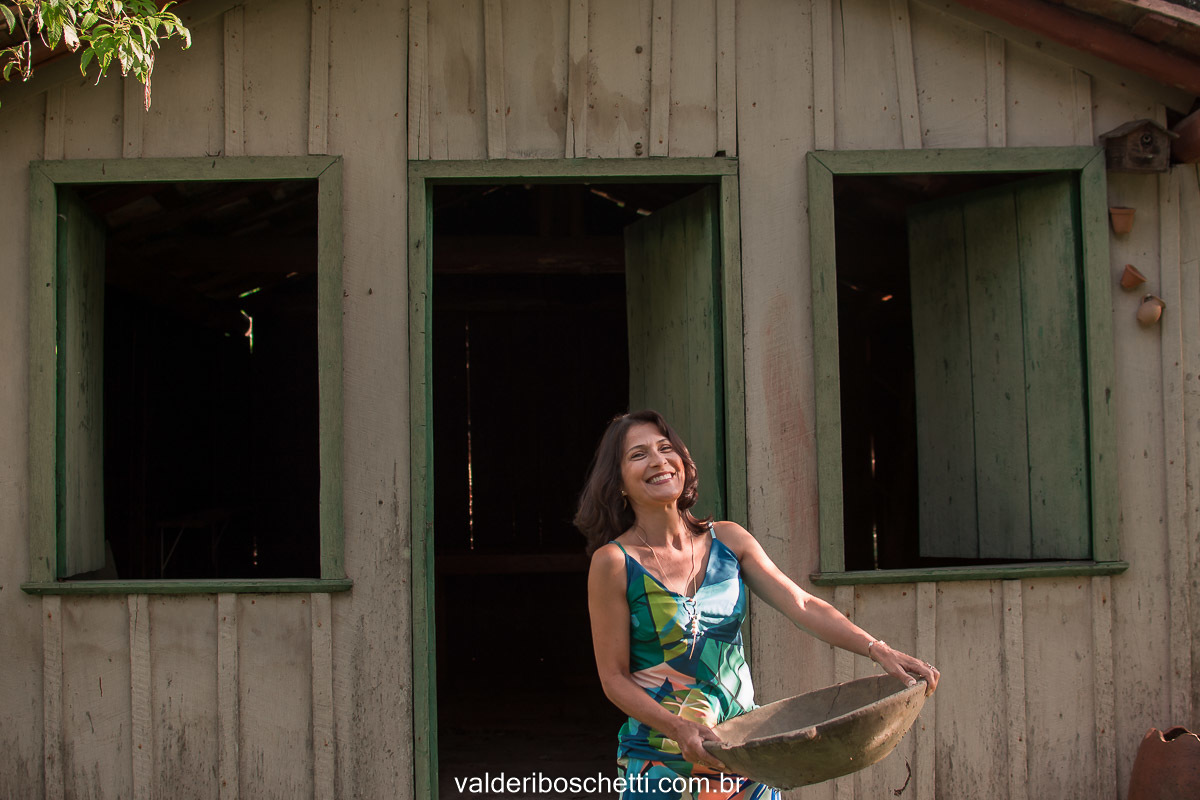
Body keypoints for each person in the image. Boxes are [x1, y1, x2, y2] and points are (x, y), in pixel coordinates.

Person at [577, 410, 940, 800]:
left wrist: (878, 649)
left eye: (666, 448)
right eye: (639, 454)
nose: (658, 461)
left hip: (745, 758)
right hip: (661, 762)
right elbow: (613, 679)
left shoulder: (729, 541)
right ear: (618, 484)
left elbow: (802, 604)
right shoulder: (613, 563)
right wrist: (677, 726)